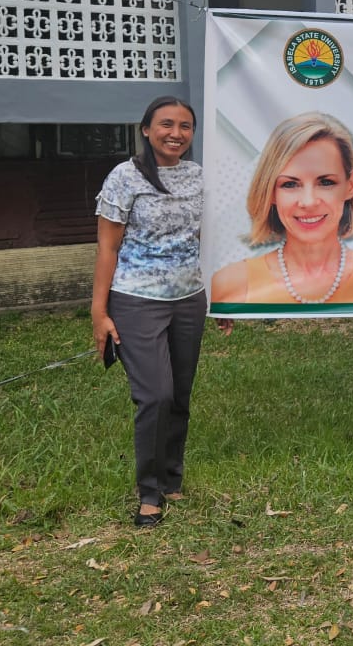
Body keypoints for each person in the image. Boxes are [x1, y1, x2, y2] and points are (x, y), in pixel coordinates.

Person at [92, 96, 227, 528]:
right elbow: (107, 247)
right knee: (155, 396)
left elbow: (209, 239)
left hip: (189, 298)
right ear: (146, 129)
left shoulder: (198, 177)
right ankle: (149, 492)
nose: (176, 133)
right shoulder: (124, 177)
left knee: (180, 396)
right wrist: (99, 312)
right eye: (166, 124)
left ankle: (171, 479)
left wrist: (221, 295)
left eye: (185, 126)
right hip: (136, 300)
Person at [211, 111, 353, 304]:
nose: (308, 202)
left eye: (325, 183)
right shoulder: (231, 283)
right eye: (290, 184)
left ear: (350, 186)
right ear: (271, 193)